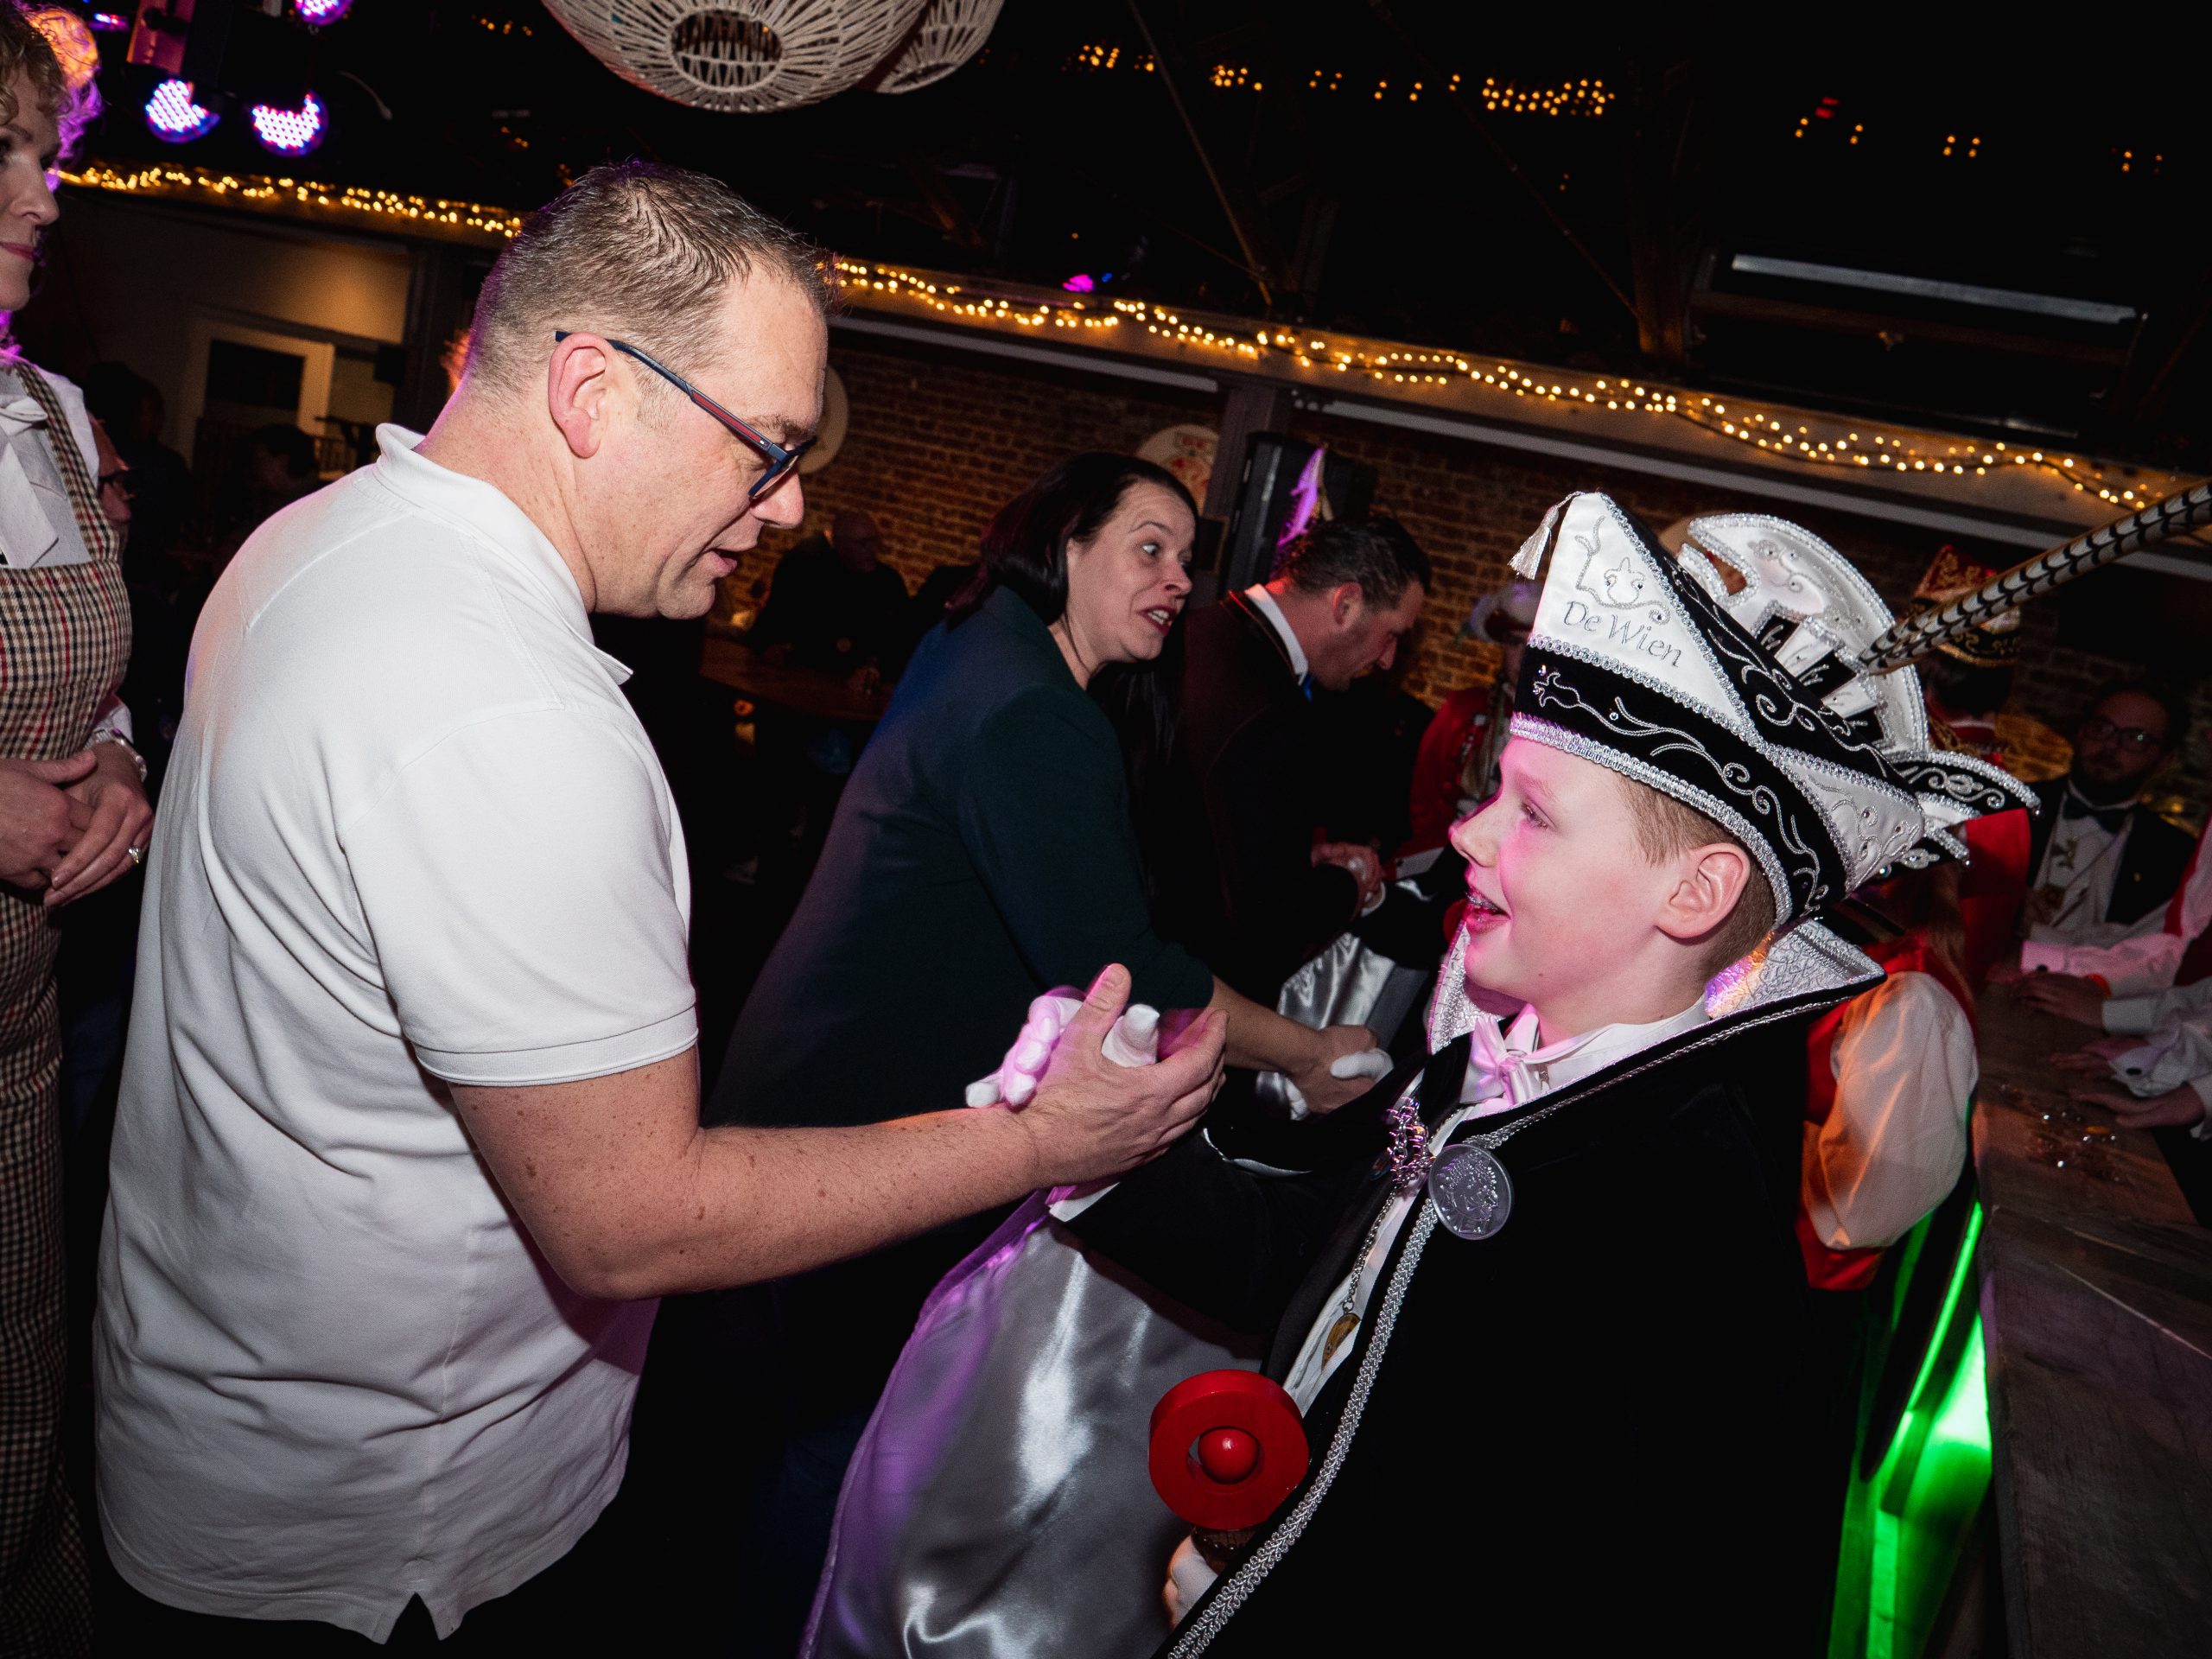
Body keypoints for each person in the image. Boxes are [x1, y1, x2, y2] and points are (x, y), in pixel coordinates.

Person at [92, 164, 1228, 1649]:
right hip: (389, 1532)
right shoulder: (508, 713)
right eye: (768, 446)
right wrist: (1043, 1141)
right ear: (591, 391)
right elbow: (632, 1222)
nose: (792, 501)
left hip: (218, 1420)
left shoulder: (324, 533)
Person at [1017, 495, 2022, 1654]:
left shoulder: (1679, 1213)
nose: (1473, 836)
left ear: (1693, 893)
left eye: (1534, 811)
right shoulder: (1488, 1062)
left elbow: (1558, 1587)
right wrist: (1108, 1153)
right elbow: (1317, 1259)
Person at [696, 453, 1378, 1653]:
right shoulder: (1031, 710)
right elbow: (1125, 966)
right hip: (867, 1108)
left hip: (815, 1076)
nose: (1177, 581)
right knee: (834, 1437)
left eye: (1187, 558)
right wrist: (1307, 1052)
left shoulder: (983, 641)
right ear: (1066, 546)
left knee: (803, 1424)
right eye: (1148, 548)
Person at [0, 16, 149, 1652]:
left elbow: (96, 681)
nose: (44, 196)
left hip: (21, 1028)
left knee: (16, 1429)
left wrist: (117, 767)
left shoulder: (51, 412)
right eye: (5, 154)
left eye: (45, 155)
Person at [1161, 517, 1429, 1006]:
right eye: (1391, 634)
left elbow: (1196, 841)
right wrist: (1349, 882)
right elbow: (1266, 929)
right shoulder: (1267, 710)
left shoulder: (1200, 631)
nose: (1388, 659)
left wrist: (1297, 861)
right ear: (1345, 604)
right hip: (1177, 996)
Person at [1994, 682, 2194, 1017]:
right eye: (2102, 728)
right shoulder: (2009, 806)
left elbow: (2155, 960)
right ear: (2080, 730)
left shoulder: (2176, 855)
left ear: (2164, 760)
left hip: (2089, 1015)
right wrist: (2000, 897)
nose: (2110, 745)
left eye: (2135, 738)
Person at [1402, 576, 1536, 855]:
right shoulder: (1463, 709)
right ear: (1502, 646)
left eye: (1533, 644)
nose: (1524, 655)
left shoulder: (1561, 730)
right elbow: (1424, 795)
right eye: (1515, 642)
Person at [749, 508, 909, 693]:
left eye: (875, 541)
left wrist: (876, 669)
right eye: (863, 543)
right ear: (840, 544)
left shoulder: (889, 583)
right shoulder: (812, 574)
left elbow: (899, 643)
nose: (872, 550)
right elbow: (775, 623)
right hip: (803, 684)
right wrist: (775, 648)